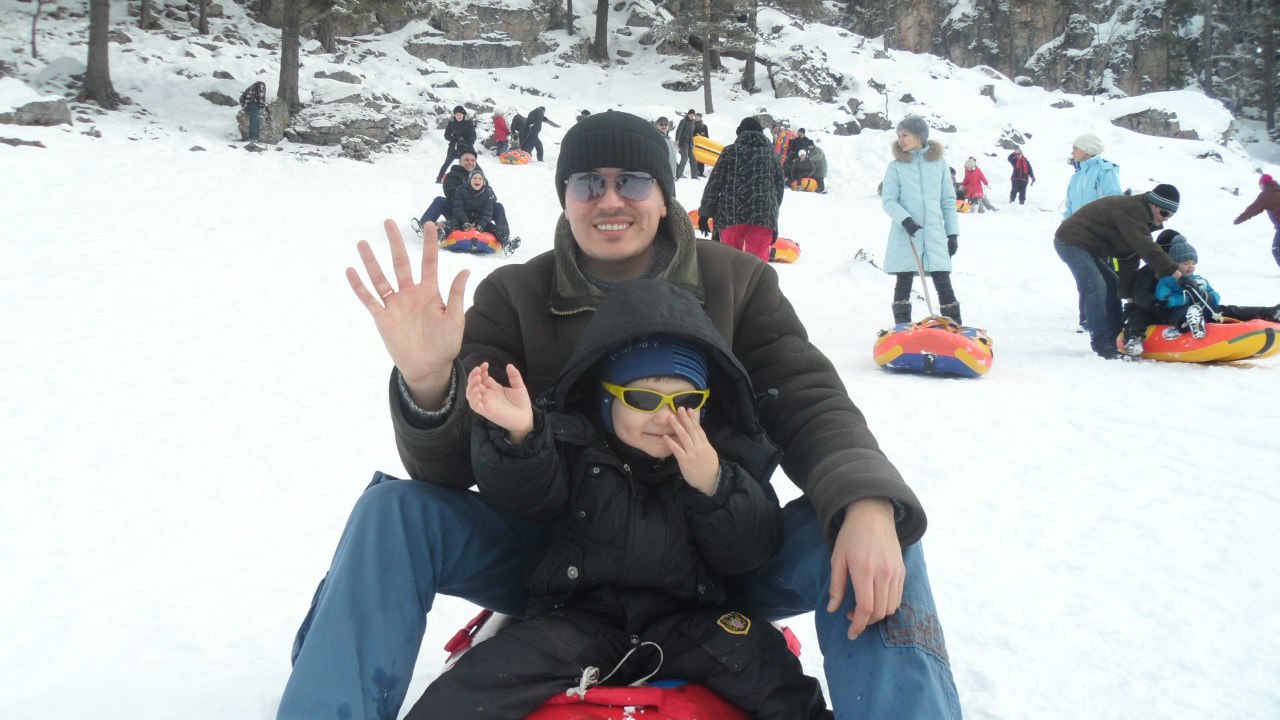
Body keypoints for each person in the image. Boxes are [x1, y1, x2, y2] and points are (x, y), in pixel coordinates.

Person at [277, 110, 959, 720]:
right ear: (565, 198)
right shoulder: (516, 295)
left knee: (879, 528)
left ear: (664, 196)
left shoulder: (738, 282)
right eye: (587, 184)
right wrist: (430, 384)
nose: (609, 200)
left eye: (632, 182)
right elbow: (452, 468)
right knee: (394, 513)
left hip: (716, 556)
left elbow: (809, 399)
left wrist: (865, 501)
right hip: (558, 558)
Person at [405, 280, 832, 719]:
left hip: (690, 621)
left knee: (769, 670)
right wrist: (522, 435)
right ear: (608, 399)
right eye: (644, 398)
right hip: (579, 620)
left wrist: (713, 484)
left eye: (687, 400)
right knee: (483, 678)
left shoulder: (720, 461)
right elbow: (527, 495)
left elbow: (751, 549)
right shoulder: (575, 445)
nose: (666, 416)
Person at [1053, 184, 1182, 359]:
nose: (1166, 218)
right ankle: (1102, 344)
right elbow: (1145, 246)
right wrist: (1172, 271)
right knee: (1095, 285)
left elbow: (1129, 257)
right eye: (1164, 213)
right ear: (1153, 204)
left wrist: (1129, 295)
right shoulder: (1132, 209)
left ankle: (1115, 340)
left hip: (1091, 248)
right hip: (1071, 241)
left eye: (1170, 215)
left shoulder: (1143, 219)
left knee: (1112, 284)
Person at [881, 116, 962, 325]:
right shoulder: (896, 166)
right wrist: (905, 220)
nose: (900, 140)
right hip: (906, 234)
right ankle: (902, 330)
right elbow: (889, 201)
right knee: (904, 283)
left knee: (943, 283)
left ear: (919, 135)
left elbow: (948, 201)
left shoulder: (939, 164)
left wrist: (952, 234)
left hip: (934, 234)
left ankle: (955, 330)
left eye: (905, 135)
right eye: (898, 136)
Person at [696, 116, 786, 262]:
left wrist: (705, 214)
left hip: (731, 216)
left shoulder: (730, 152)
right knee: (757, 267)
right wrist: (770, 207)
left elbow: (714, 183)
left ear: (739, 132)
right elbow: (779, 187)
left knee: (730, 265)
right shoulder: (773, 155)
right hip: (763, 217)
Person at [1153, 238, 1280, 339]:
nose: (1190, 266)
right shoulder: (1168, 281)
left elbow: (1215, 295)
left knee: (1228, 310)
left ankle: (1269, 313)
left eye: (1193, 263)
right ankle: (1193, 323)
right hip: (1181, 311)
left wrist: (1208, 297)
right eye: (1185, 263)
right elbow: (1164, 300)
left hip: (1205, 310)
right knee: (1180, 313)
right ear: (1175, 264)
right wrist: (1186, 298)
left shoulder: (1199, 280)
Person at [411, 147, 510, 239]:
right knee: (439, 200)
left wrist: (482, 202)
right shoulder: (452, 176)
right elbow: (451, 196)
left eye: (472, 160)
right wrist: (468, 202)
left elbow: (491, 195)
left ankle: (504, 236)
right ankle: (424, 226)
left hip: (479, 213)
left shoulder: (479, 176)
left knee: (498, 206)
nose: (470, 162)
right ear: (460, 161)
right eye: (466, 160)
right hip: (458, 212)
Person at [444, 169, 509, 245]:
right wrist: (465, 222)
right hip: (463, 220)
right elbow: (459, 210)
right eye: (474, 178)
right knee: (453, 223)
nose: (477, 180)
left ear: (483, 183)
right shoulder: (461, 191)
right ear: (470, 181)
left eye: (480, 179)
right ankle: (443, 234)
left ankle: (506, 242)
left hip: (479, 221)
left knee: (492, 228)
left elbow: (487, 213)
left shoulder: (488, 195)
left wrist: (481, 225)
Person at [1063, 133, 1121, 218]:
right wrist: (1066, 225)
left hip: (1098, 225)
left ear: (1087, 150)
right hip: (1077, 225)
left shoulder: (1104, 170)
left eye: (1075, 149)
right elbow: (1069, 207)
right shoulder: (1076, 176)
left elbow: (1115, 203)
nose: (1072, 153)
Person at [1232, 173, 1280, 269]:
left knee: (1276, 249)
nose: (1259, 187)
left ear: (1263, 184)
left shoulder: (1267, 194)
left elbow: (1253, 209)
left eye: (1260, 185)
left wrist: (1240, 219)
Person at [436, 105, 477, 184]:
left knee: (472, 164)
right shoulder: (451, 122)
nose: (458, 116)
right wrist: (452, 138)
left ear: (463, 114)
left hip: (466, 147)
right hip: (454, 147)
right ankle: (439, 179)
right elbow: (446, 135)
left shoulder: (469, 122)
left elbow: (473, 135)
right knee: (446, 163)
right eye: (456, 114)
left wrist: (469, 143)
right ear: (454, 115)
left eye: (460, 114)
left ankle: (479, 179)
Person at [675, 108, 696, 179]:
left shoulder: (692, 123)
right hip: (683, 142)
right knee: (684, 158)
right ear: (688, 114)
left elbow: (691, 135)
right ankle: (679, 174)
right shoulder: (683, 121)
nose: (692, 116)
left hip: (689, 143)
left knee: (693, 159)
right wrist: (677, 139)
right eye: (691, 115)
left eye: (693, 115)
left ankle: (694, 176)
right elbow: (679, 131)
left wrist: (692, 144)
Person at [692, 112, 709, 178]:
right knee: (694, 158)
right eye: (695, 117)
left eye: (698, 117)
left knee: (701, 158)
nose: (696, 118)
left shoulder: (704, 126)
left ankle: (701, 172)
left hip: (702, 145)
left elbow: (707, 136)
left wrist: (706, 143)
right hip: (694, 144)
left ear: (700, 118)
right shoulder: (692, 125)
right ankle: (695, 171)